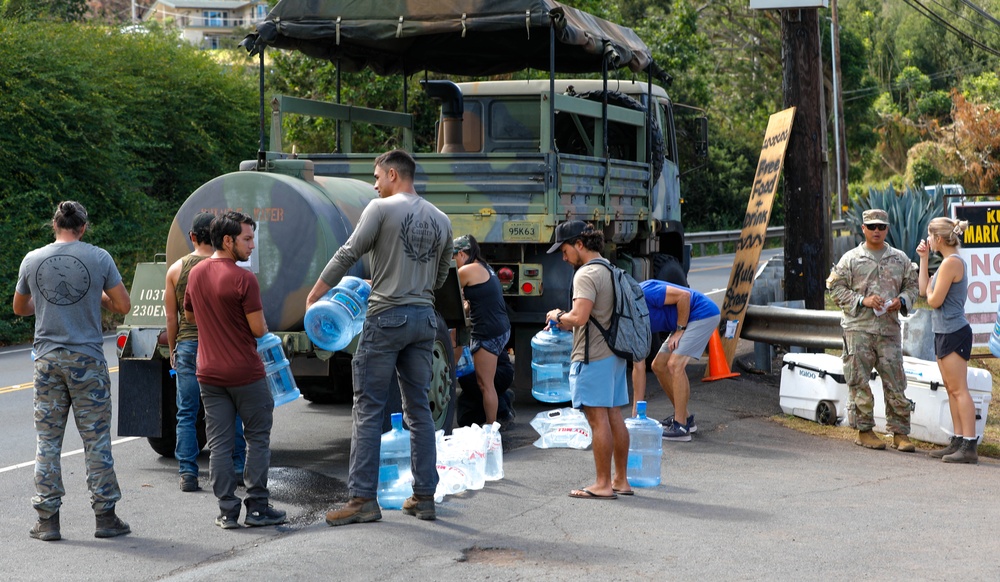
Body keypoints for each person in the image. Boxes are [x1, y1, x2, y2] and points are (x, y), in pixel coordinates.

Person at [309, 149, 452, 525]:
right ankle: (424, 497)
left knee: (368, 408)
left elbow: (348, 252)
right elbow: (440, 278)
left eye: (376, 178)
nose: (374, 185)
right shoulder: (441, 219)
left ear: (392, 174)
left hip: (387, 316)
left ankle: (362, 501)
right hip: (424, 318)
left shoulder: (380, 209)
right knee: (419, 410)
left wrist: (315, 293)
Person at [13, 200, 132, 541]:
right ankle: (105, 518)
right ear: (83, 227)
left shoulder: (32, 259)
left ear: (55, 225)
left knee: (48, 442)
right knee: (96, 441)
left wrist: (46, 299)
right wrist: (97, 297)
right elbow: (123, 305)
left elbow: (20, 307)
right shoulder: (99, 257)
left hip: (48, 360)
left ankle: (47, 521)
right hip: (88, 361)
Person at [183, 211, 286, 529]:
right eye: (247, 239)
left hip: (209, 374)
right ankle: (257, 507)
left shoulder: (196, 274)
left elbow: (189, 318)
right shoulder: (244, 279)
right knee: (256, 439)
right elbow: (258, 329)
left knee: (219, 443)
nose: (253, 245)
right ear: (228, 241)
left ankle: (227, 510)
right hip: (245, 373)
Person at [545, 220, 631, 499]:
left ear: (579, 244)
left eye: (565, 249)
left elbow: (579, 318)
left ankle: (602, 484)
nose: (563, 255)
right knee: (614, 415)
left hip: (593, 355)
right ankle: (620, 480)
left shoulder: (585, 275)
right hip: (615, 354)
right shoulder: (610, 268)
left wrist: (557, 316)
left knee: (597, 420)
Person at [165, 212, 247, 493]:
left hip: (188, 345)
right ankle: (236, 467)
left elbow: (172, 318)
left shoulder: (176, 270)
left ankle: (188, 472)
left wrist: (175, 349)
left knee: (187, 411)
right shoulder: (226, 266)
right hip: (221, 346)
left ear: (192, 237)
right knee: (231, 409)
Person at [827, 208, 918, 452]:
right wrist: (861, 300)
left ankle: (900, 434)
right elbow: (834, 288)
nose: (876, 231)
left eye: (881, 226)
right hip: (859, 330)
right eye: (872, 226)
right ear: (864, 229)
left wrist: (902, 300)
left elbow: (913, 286)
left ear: (887, 229)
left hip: (888, 330)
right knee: (859, 381)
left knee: (896, 382)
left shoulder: (900, 259)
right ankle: (864, 431)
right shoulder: (851, 259)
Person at [917, 217, 978, 463]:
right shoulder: (944, 263)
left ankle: (969, 446)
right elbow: (924, 291)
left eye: (931, 236)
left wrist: (931, 289)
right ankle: (958, 439)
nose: (929, 240)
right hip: (943, 331)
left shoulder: (952, 263)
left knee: (959, 390)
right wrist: (923, 260)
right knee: (951, 390)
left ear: (939, 239)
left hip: (954, 332)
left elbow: (932, 300)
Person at [631, 279, 721, 441]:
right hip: (684, 321)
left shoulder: (645, 291)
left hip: (702, 313)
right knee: (658, 365)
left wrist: (679, 330)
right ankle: (685, 418)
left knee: (675, 364)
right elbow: (638, 366)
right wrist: (636, 416)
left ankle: (681, 426)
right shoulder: (629, 319)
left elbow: (684, 296)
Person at [453, 234, 511, 425]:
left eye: (454, 257)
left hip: (489, 332)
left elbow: (444, 291)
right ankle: (495, 417)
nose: (454, 262)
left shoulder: (467, 270)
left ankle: (489, 427)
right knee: (486, 382)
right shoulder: (485, 267)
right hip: (500, 328)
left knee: (484, 384)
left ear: (462, 253)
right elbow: (477, 301)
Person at [457, 349, 515, 428]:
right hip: (484, 368)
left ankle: (502, 410)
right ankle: (503, 397)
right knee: (465, 419)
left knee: (467, 378)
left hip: (498, 368)